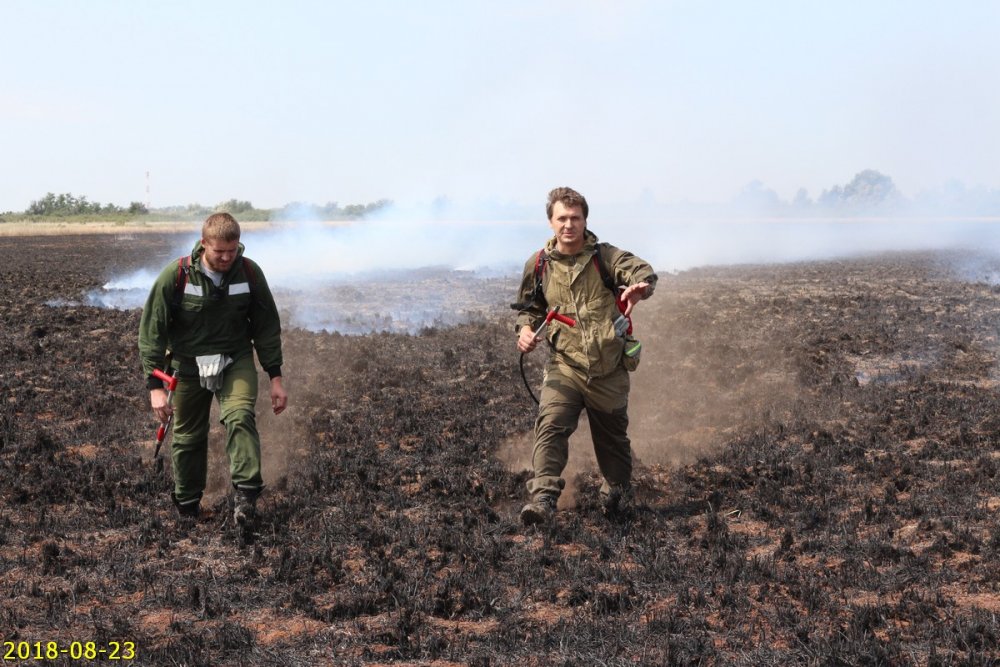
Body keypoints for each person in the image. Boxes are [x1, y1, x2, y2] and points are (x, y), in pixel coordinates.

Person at [514, 187, 656, 525]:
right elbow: (529, 309)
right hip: (566, 365)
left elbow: (641, 270)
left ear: (585, 220)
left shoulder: (604, 258)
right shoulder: (538, 265)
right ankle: (544, 499)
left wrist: (640, 288)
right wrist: (524, 331)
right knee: (551, 424)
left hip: (608, 368)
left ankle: (617, 495)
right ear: (551, 222)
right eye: (561, 218)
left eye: (575, 218)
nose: (568, 225)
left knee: (613, 444)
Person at [138, 212, 287, 525]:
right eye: (219, 251)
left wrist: (275, 377)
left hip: (236, 358)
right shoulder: (176, 275)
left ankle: (246, 499)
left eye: (232, 251)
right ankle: (188, 504)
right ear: (203, 243)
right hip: (187, 363)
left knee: (240, 417)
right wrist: (155, 387)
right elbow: (152, 331)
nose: (226, 257)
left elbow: (266, 326)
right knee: (189, 435)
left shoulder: (249, 273)